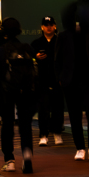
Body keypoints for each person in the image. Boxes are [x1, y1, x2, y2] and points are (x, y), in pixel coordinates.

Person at [55, 1, 89, 161]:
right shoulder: (63, 36)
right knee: (74, 115)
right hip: (71, 80)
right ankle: (80, 148)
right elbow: (57, 60)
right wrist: (60, 79)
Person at [0, 18, 37, 173]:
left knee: (8, 124)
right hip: (25, 91)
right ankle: (27, 155)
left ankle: (9, 160)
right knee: (25, 124)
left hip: (7, 92)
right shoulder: (27, 48)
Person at [31, 16, 64, 146]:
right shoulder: (36, 43)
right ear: (42, 27)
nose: (48, 27)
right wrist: (36, 57)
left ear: (55, 26)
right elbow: (30, 60)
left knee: (58, 108)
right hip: (42, 81)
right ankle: (43, 135)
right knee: (43, 109)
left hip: (58, 81)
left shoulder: (60, 41)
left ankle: (57, 133)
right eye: (46, 24)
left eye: (51, 24)